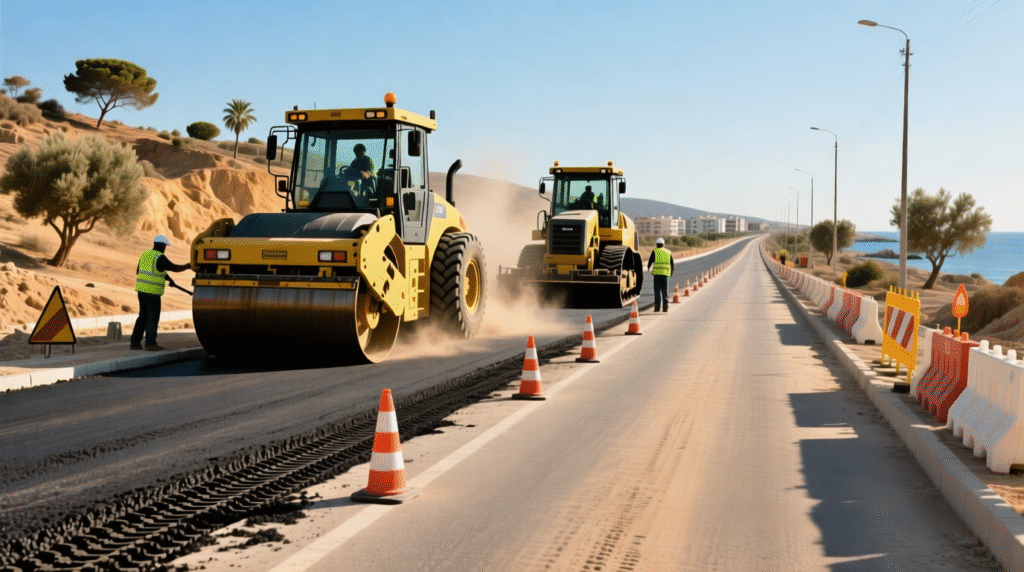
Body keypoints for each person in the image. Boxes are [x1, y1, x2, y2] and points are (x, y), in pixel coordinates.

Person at [130, 234, 191, 351]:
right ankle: (150, 343)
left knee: (142, 316)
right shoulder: (160, 257)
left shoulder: (145, 255)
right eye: (165, 246)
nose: (165, 248)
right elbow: (173, 267)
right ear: (162, 246)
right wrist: (187, 266)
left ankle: (135, 343)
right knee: (152, 318)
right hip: (152, 293)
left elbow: (143, 271)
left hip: (141, 291)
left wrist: (168, 279)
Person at [647, 237, 674, 312]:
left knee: (657, 291)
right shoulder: (668, 252)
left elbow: (650, 261)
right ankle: (665, 308)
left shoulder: (655, 251)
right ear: (663, 244)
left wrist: (648, 268)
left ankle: (657, 307)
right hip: (665, 275)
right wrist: (671, 272)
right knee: (665, 291)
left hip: (657, 275)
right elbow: (672, 263)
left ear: (656, 244)